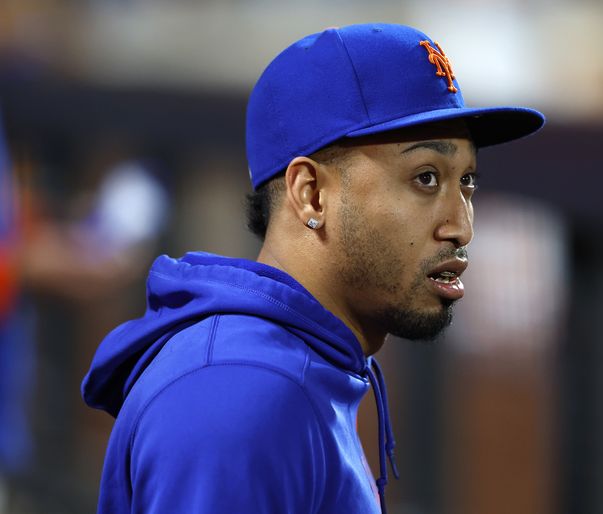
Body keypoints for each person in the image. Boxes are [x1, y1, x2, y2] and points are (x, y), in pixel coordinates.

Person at [81, 23, 544, 514]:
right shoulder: (239, 395)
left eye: (466, 181)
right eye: (426, 178)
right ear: (311, 193)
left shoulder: (299, 365)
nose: (461, 227)